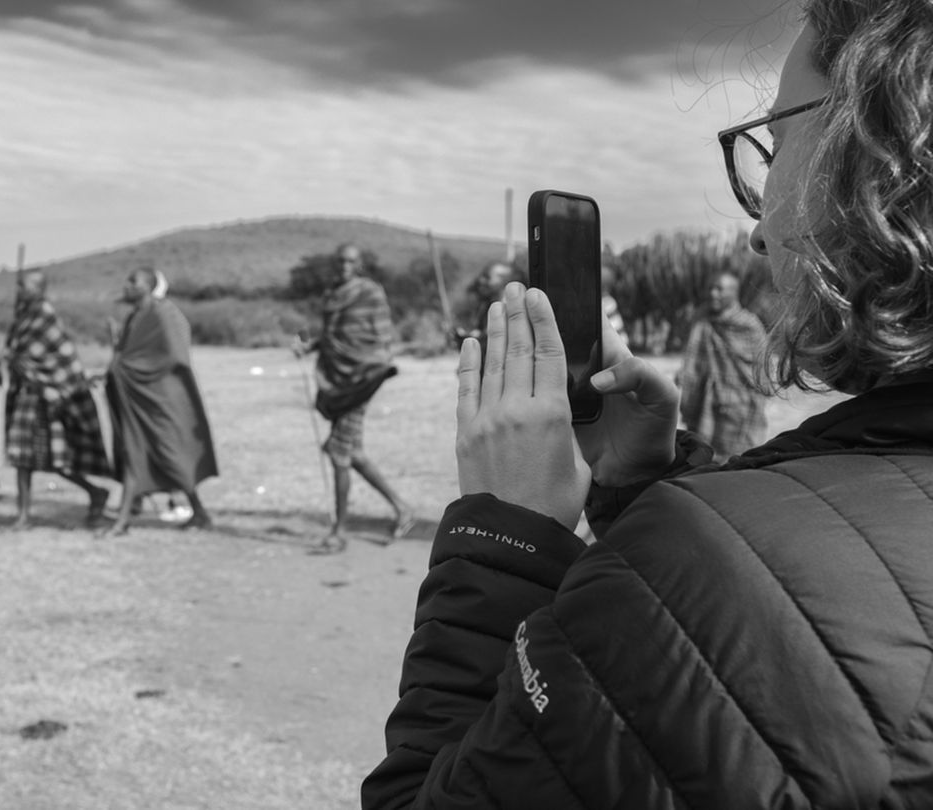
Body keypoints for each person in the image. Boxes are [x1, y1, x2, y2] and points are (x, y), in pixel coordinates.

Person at [364, 5, 933, 806]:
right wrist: (657, 483)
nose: (758, 234)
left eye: (776, 145)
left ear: (879, 162)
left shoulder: (708, 568)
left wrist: (502, 528)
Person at [292, 243, 414, 554]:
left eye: (350, 261)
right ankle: (402, 508)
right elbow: (333, 335)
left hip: (362, 378)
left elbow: (380, 335)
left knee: (338, 452)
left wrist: (375, 364)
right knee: (352, 452)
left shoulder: (370, 292)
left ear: (358, 264)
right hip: (336, 378)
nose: (344, 266)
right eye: (340, 261)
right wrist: (308, 346)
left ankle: (339, 530)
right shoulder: (332, 293)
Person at [101, 267, 217, 536]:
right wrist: (116, 346)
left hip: (159, 397)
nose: (126, 284)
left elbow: (175, 355)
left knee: (170, 454)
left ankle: (197, 512)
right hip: (135, 399)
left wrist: (132, 369)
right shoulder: (135, 317)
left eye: (133, 280)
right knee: (134, 453)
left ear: (149, 286)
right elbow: (126, 356)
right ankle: (125, 519)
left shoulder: (165, 314)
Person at [0, 270, 111, 530]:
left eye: (24, 286)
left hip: (47, 395)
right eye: (19, 286)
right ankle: (23, 515)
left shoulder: (44, 315)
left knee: (57, 459)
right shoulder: (23, 316)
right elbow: (17, 351)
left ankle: (95, 492)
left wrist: (22, 363)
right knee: (22, 458)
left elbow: (54, 357)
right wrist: (8, 356)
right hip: (25, 395)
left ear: (40, 288)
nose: (20, 291)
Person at [678, 270, 770, 461]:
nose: (713, 293)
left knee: (736, 461)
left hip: (739, 407)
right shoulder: (701, 319)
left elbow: (762, 372)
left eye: (719, 289)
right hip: (704, 400)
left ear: (734, 292)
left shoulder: (749, 325)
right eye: (710, 288)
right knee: (702, 455)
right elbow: (693, 360)